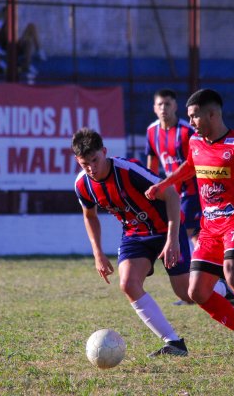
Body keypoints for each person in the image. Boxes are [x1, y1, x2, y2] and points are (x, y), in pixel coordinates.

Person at [146, 89, 234, 368]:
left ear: (211, 113)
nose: (191, 122)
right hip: (210, 227)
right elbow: (188, 168)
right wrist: (162, 185)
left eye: (194, 116)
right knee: (197, 292)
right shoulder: (197, 143)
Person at [72, 127, 189, 357]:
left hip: (166, 229)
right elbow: (90, 216)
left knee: (187, 293)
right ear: (77, 160)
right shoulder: (82, 185)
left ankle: (224, 288)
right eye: (84, 164)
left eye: (95, 160)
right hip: (135, 234)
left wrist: (173, 239)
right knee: (127, 284)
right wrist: (98, 254)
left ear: (104, 151)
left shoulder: (128, 170)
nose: (91, 168)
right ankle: (174, 343)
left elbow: (172, 194)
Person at [145, 88, 234, 308]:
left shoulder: (187, 132)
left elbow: (193, 165)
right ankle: (233, 281)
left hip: (194, 192)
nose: (164, 109)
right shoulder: (151, 131)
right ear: (154, 108)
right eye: (159, 104)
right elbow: (153, 162)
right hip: (173, 192)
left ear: (175, 106)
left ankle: (214, 284)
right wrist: (157, 185)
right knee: (192, 237)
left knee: (190, 234)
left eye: (168, 104)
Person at [0, 6, 46, 83]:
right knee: (28, 41)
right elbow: (2, 38)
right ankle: (27, 64)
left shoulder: (14, 22)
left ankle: (39, 51)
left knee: (31, 27)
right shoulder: (1, 24)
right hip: (9, 47)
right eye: (7, 13)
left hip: (16, 44)